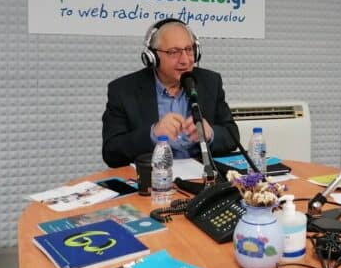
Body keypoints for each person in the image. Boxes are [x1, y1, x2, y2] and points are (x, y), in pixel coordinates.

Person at [102, 18, 239, 167]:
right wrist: (152, 134)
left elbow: (232, 136)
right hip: (154, 176)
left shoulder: (210, 82)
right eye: (174, 52)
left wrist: (210, 134)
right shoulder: (124, 90)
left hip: (201, 175)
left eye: (189, 50)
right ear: (153, 57)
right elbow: (111, 152)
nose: (185, 60)